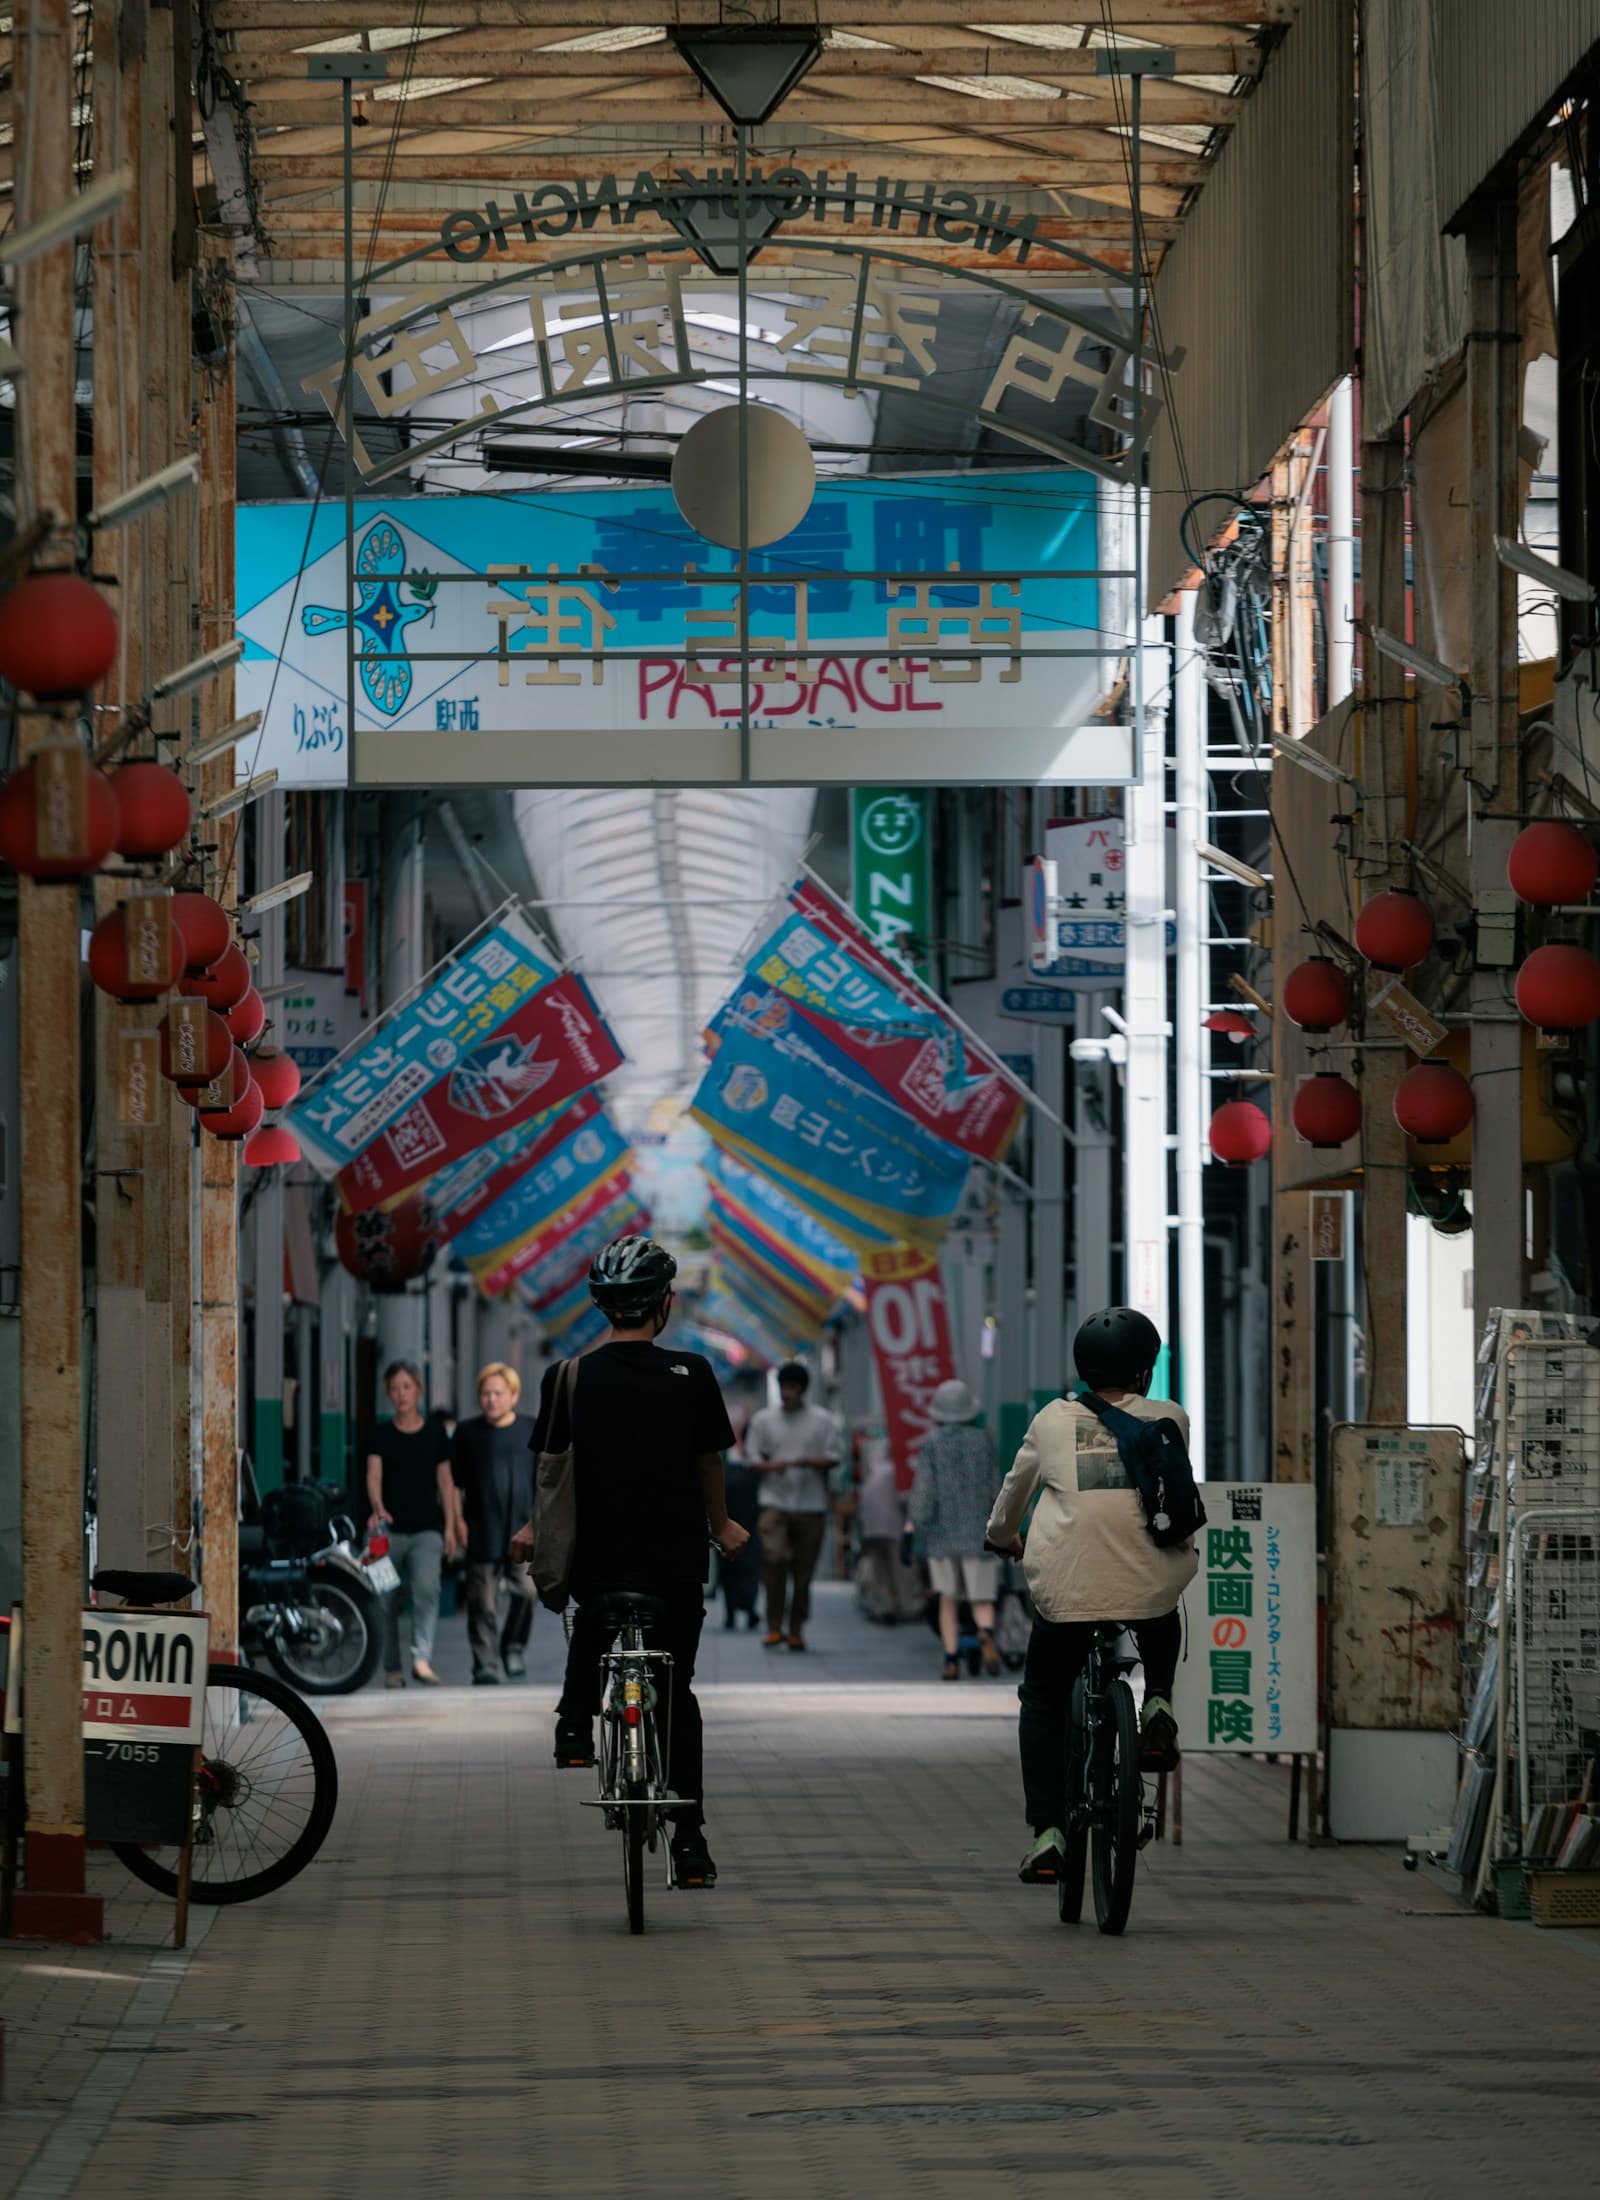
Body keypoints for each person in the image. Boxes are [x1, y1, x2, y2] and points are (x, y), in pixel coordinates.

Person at [513, 1234, 749, 1891]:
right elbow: (709, 1461)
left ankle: (572, 1724)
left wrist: (535, 1528)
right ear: (665, 1304)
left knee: (595, 1615)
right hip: (675, 1563)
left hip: (598, 1557)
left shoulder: (569, 1376)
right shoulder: (694, 1375)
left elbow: (551, 1468)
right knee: (679, 1694)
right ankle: (693, 1841)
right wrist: (722, 1525)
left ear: (601, 1306)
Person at [986, 1307, 1198, 1886]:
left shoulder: (1052, 1420)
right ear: (1147, 1371)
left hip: (1068, 1587)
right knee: (1160, 1603)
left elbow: (1015, 1492)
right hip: (1149, 1582)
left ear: (1083, 1369)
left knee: (1044, 1698)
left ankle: (1049, 1833)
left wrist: (1001, 1538)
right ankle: (1156, 1701)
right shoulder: (1171, 1416)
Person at [366, 1359, 459, 1688]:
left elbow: (446, 1484)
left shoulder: (435, 1433)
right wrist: (377, 1507)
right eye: (394, 1389)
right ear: (388, 1395)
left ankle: (421, 1659)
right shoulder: (380, 1434)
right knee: (383, 1597)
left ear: (418, 1390)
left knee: (427, 1590)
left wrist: (450, 1527)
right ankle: (392, 1669)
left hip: (426, 1530)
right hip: (386, 1531)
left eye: (406, 1387)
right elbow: (373, 1475)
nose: (401, 1394)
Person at [908, 1378, 1004, 1681]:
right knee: (981, 1597)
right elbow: (994, 1486)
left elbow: (924, 1490)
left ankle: (950, 1659)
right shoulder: (983, 1440)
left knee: (947, 1598)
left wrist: (916, 1523)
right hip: (978, 1531)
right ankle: (985, 1632)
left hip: (941, 1534)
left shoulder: (932, 1444)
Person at [450, 1362, 537, 1685]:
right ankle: (484, 1663)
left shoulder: (531, 1430)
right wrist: (456, 1520)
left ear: (513, 1396)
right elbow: (454, 1482)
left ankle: (513, 1646)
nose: (491, 1399)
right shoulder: (467, 1432)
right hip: (481, 1526)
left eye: (498, 1393)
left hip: (523, 1529)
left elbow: (546, 1480)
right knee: (481, 1601)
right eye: (485, 1394)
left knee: (527, 1592)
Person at [746, 1362, 840, 1650]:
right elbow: (752, 1459)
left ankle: (796, 1627)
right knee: (773, 1560)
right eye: (784, 1387)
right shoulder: (764, 1420)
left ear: (803, 1390)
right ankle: (774, 1625)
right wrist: (773, 1465)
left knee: (803, 1573)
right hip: (774, 1501)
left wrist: (809, 1462)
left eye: (793, 1388)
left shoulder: (822, 1420)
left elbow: (835, 1456)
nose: (787, 1393)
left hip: (811, 1504)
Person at [718, 1412, 762, 1631]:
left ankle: (748, 1608)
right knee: (732, 1568)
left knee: (748, 1566)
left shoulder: (757, 1459)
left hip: (749, 1518)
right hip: (729, 1517)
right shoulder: (727, 1455)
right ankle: (733, 1611)